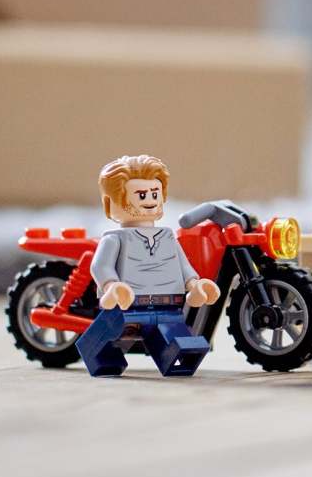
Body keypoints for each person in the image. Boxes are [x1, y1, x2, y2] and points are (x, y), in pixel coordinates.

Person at [75, 154, 221, 377]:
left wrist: (194, 284)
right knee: (106, 340)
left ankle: (174, 361)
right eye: (141, 195)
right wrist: (112, 286)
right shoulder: (114, 238)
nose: (151, 200)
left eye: (155, 193)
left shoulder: (167, 236)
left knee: (183, 344)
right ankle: (104, 360)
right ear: (109, 204)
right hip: (126, 306)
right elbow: (100, 266)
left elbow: (183, 265)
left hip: (168, 306)